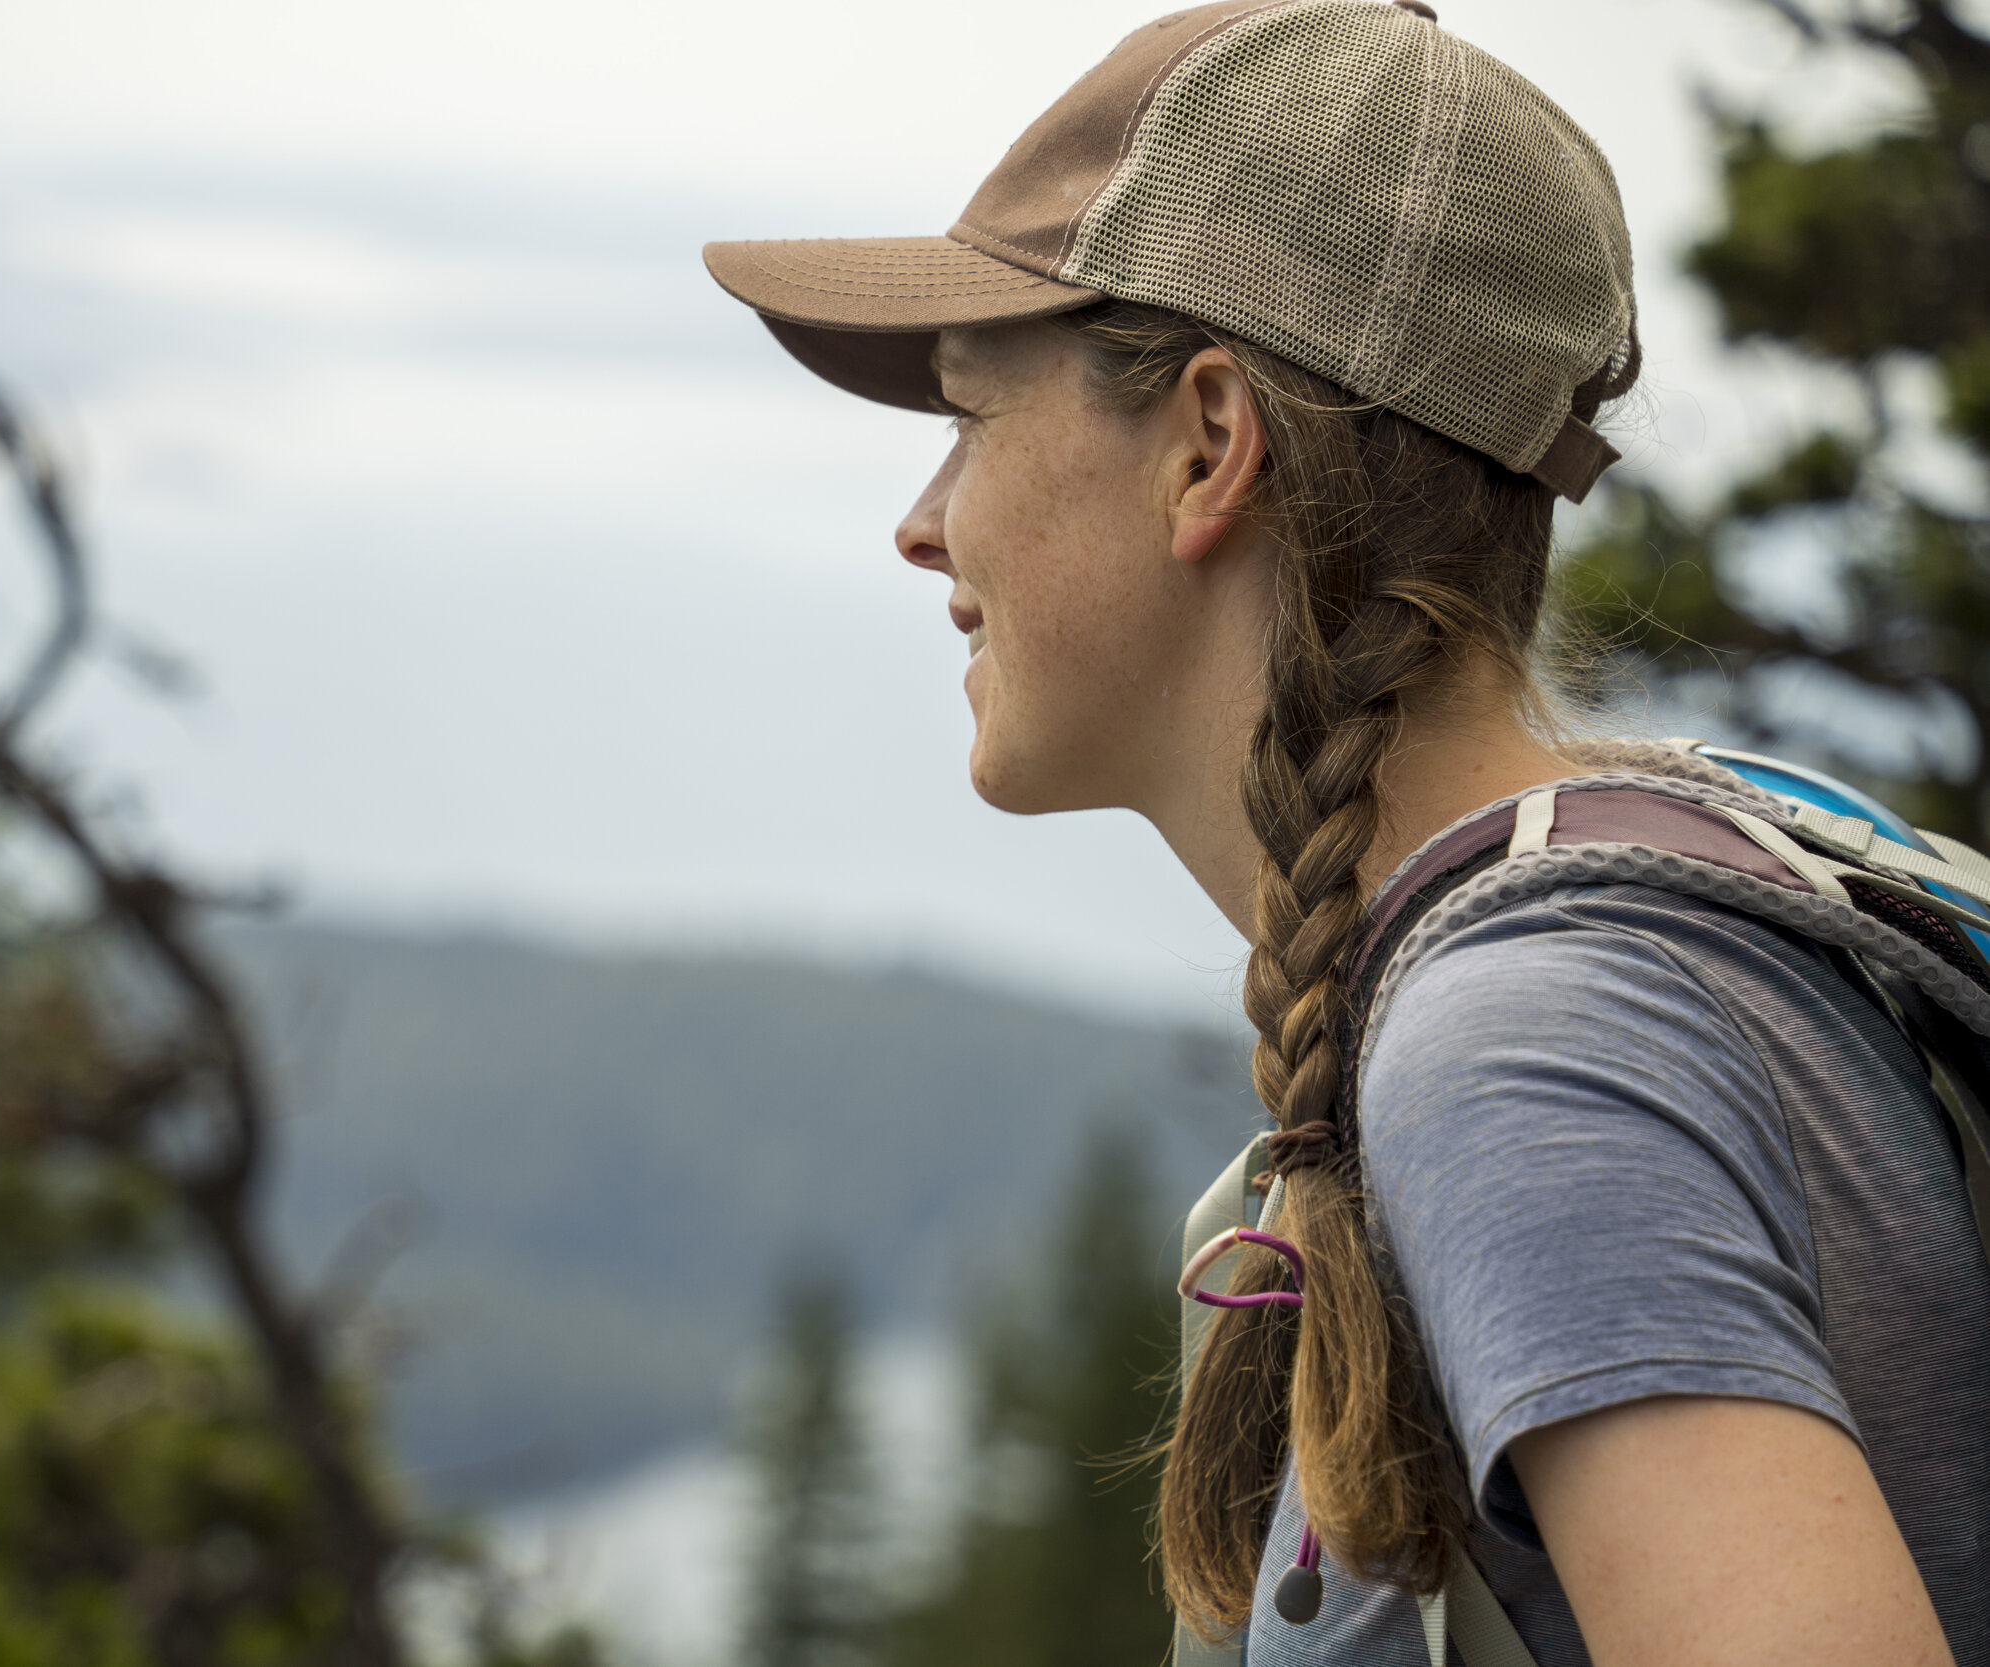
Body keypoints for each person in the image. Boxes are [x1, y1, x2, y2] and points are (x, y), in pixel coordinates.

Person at [701, 3, 1988, 1664]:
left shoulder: (1530, 1049)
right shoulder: (1712, 867)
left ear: (1208, 448)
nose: (920, 521)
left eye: (968, 413)